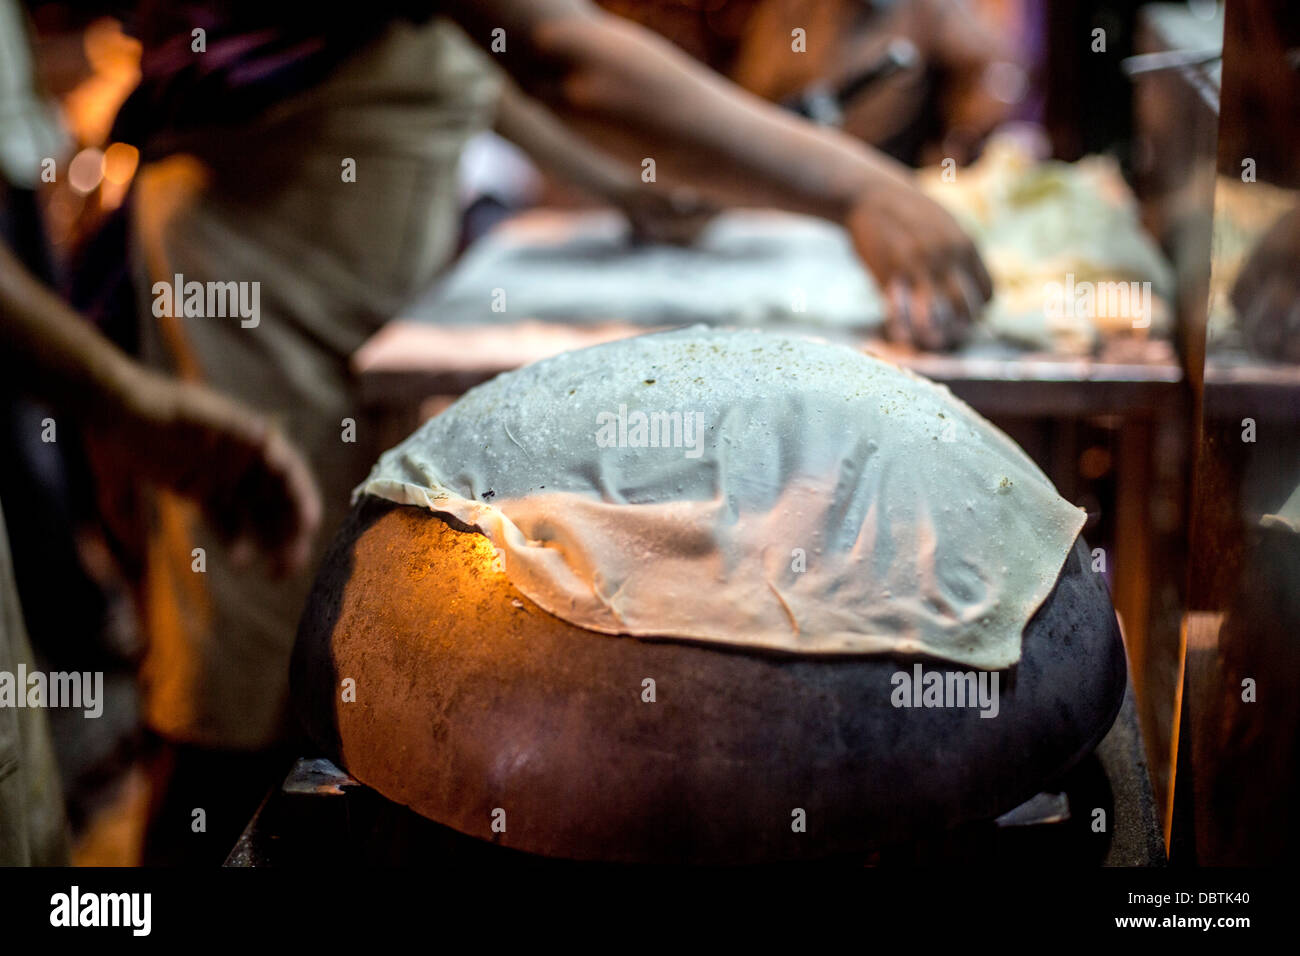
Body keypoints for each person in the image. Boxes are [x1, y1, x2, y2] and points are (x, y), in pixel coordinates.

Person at [112, 0, 992, 862]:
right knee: (250, 680)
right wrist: (861, 186)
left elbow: (472, 53)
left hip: (354, 268)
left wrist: (630, 178)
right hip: (262, 276)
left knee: (335, 641)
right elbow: (555, 51)